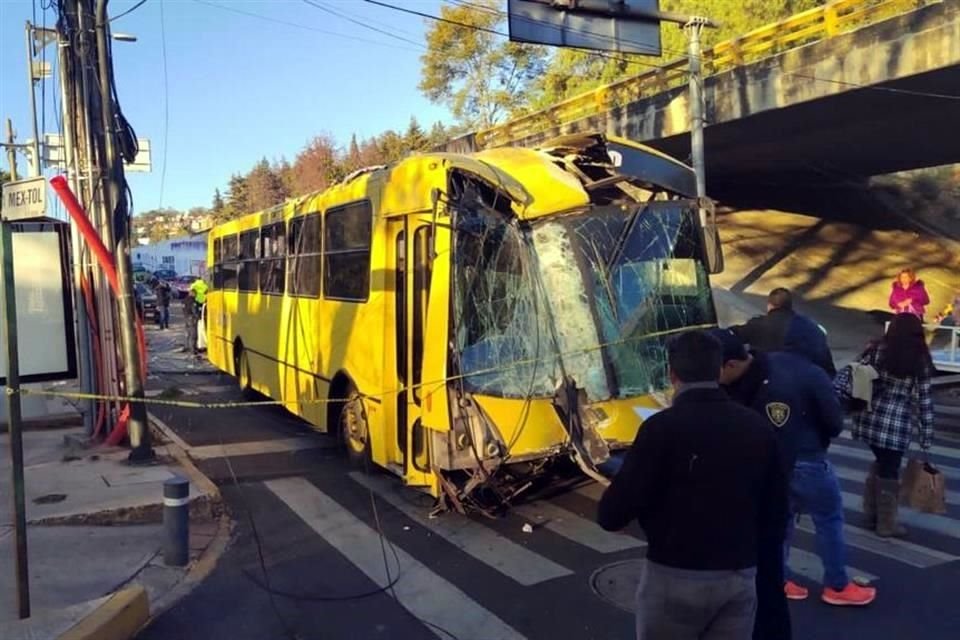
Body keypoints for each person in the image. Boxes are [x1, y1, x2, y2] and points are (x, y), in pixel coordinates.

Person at [598, 330, 788, 640]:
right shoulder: (757, 427)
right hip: (739, 576)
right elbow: (777, 511)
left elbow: (612, 513)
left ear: (672, 375)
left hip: (675, 575)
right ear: (718, 371)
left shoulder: (660, 429)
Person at [714, 326, 877, 607]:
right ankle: (837, 585)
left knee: (782, 524)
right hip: (808, 458)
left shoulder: (767, 365)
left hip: (770, 464)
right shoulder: (813, 373)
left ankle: (780, 578)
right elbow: (834, 422)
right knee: (829, 520)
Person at [834, 313, 935, 537]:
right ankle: (886, 524)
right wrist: (926, 435)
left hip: (869, 419)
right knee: (889, 471)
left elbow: (858, 376)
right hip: (895, 424)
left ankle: (871, 514)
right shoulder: (919, 359)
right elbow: (924, 400)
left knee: (881, 463)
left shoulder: (877, 349)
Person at [731, 287, 836, 377]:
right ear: (790, 305)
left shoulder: (758, 324)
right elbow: (828, 366)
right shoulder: (812, 326)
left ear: (769, 306)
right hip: (814, 383)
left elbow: (732, 335)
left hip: (773, 385)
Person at [182, 290, 199, 355]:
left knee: (187, 333)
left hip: (186, 318)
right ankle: (193, 350)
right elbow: (194, 310)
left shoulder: (184, 300)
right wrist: (197, 317)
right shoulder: (193, 301)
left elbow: (183, 309)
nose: (196, 295)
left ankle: (186, 346)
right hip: (192, 319)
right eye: (196, 294)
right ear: (193, 294)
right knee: (193, 335)